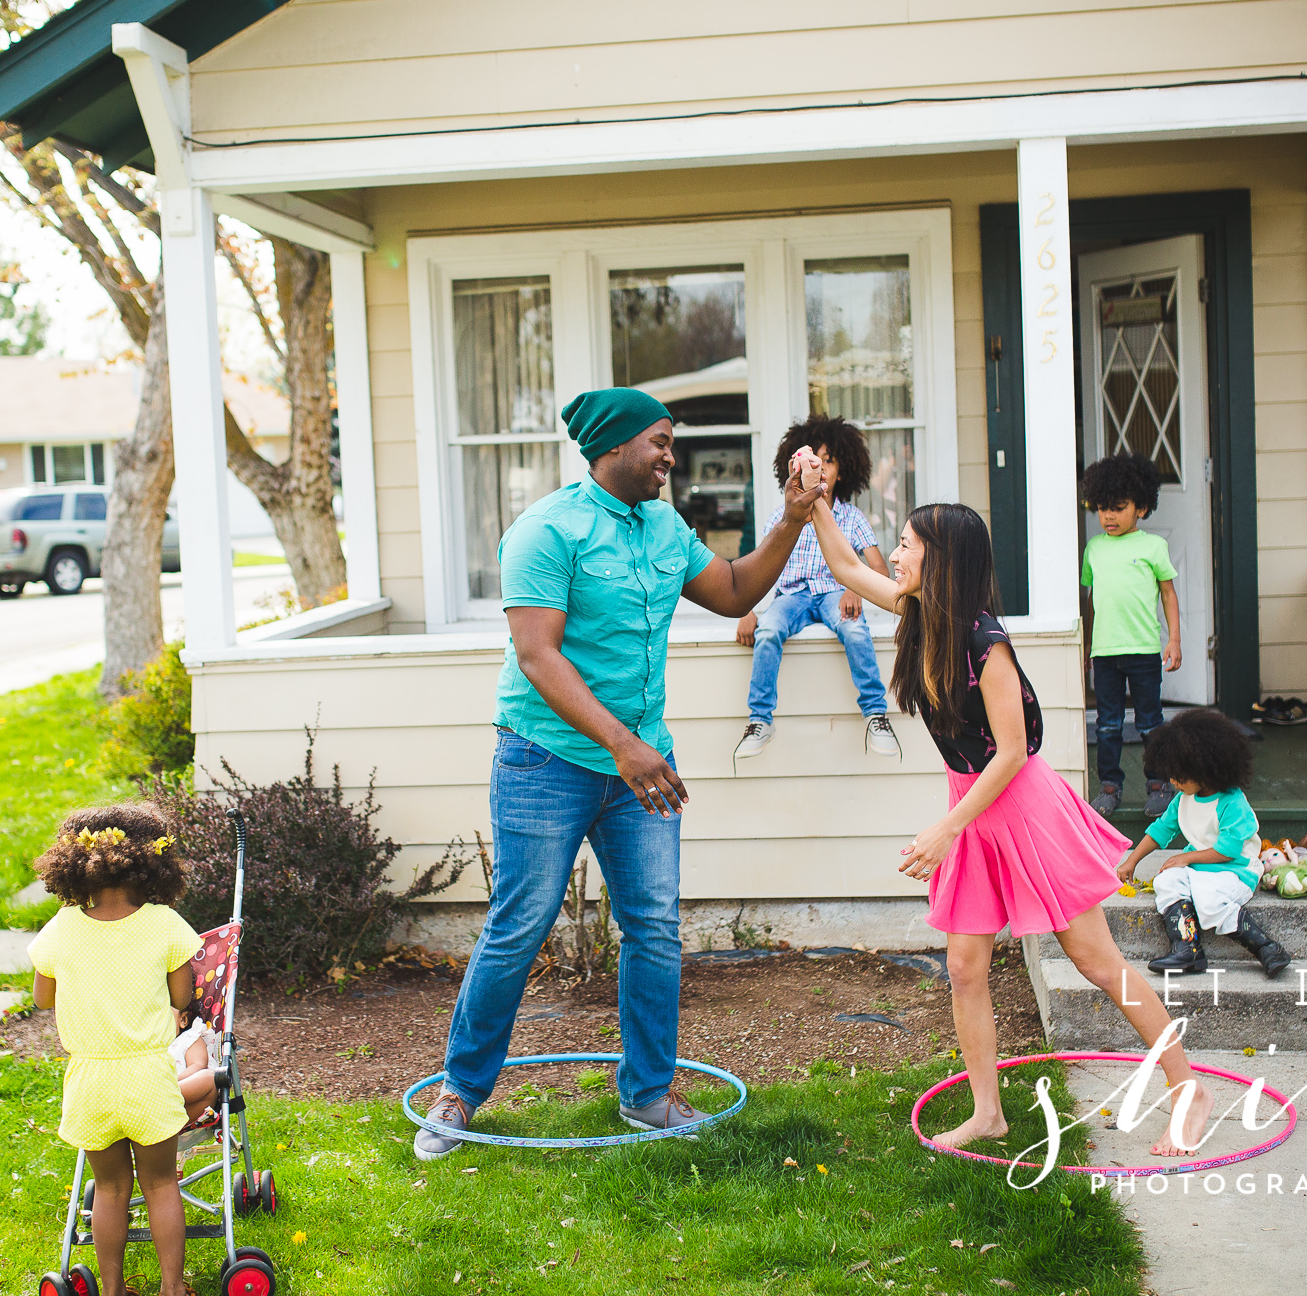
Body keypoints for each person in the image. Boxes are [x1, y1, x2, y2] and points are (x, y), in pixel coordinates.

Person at [413, 386, 826, 1161]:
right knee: (520, 924)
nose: (671, 456)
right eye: (659, 442)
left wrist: (794, 518)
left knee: (654, 926)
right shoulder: (545, 530)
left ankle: (645, 1093)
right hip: (547, 759)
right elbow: (539, 655)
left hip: (641, 760)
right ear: (612, 446)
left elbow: (734, 587)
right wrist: (625, 748)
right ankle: (460, 1092)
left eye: (670, 442)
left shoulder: (664, 525)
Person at [794, 463, 1213, 1157]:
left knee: (1096, 960)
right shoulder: (919, 611)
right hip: (974, 806)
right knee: (965, 966)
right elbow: (841, 560)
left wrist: (946, 828)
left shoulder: (986, 646)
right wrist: (815, 503)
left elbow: (1012, 751)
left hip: (1020, 808)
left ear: (943, 560)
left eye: (904, 544)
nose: (892, 555)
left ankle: (1185, 1085)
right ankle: (988, 1110)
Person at [28, 802, 204, 1296]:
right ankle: (172, 1289)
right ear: (152, 865)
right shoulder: (164, 923)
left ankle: (113, 1290)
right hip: (146, 1076)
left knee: (108, 1189)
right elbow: (181, 997)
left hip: (90, 1079)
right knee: (161, 1184)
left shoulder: (61, 927)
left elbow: (43, 998)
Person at [734, 416, 900, 762]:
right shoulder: (783, 518)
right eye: (815, 460)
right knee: (767, 632)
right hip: (791, 597)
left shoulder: (852, 517)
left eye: (830, 460)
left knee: (854, 630)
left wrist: (857, 588)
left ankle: (876, 714)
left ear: (844, 469)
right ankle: (760, 720)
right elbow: (757, 568)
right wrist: (746, 609)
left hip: (833, 595)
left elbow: (880, 569)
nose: (822, 467)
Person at [1114, 708, 1290, 977]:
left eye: (1178, 774)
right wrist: (1132, 860)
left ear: (1203, 768)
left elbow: (1228, 851)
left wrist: (1186, 858)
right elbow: (1162, 830)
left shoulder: (1232, 802)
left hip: (1236, 869)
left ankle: (1266, 947)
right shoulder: (1184, 798)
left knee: (1208, 901)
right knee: (1166, 881)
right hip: (1200, 868)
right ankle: (1187, 949)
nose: (1172, 781)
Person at [1078, 453, 1183, 818]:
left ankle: (1158, 785)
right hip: (1105, 653)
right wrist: (1087, 644)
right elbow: (1091, 599)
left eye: (1118, 508)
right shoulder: (1094, 549)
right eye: (1103, 508)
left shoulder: (1153, 547)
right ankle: (1109, 786)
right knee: (1107, 724)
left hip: (1142, 651)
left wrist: (1174, 640)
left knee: (1150, 722)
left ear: (1141, 507)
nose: (1108, 516)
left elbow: (1168, 594)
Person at [169, 1006, 222, 1128]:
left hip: (189, 1104)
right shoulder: (148, 1048)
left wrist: (171, 1083)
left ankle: (159, 1095)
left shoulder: (188, 1038)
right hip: (158, 1109)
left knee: (208, 1078)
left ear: (183, 1020)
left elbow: (198, 1065)